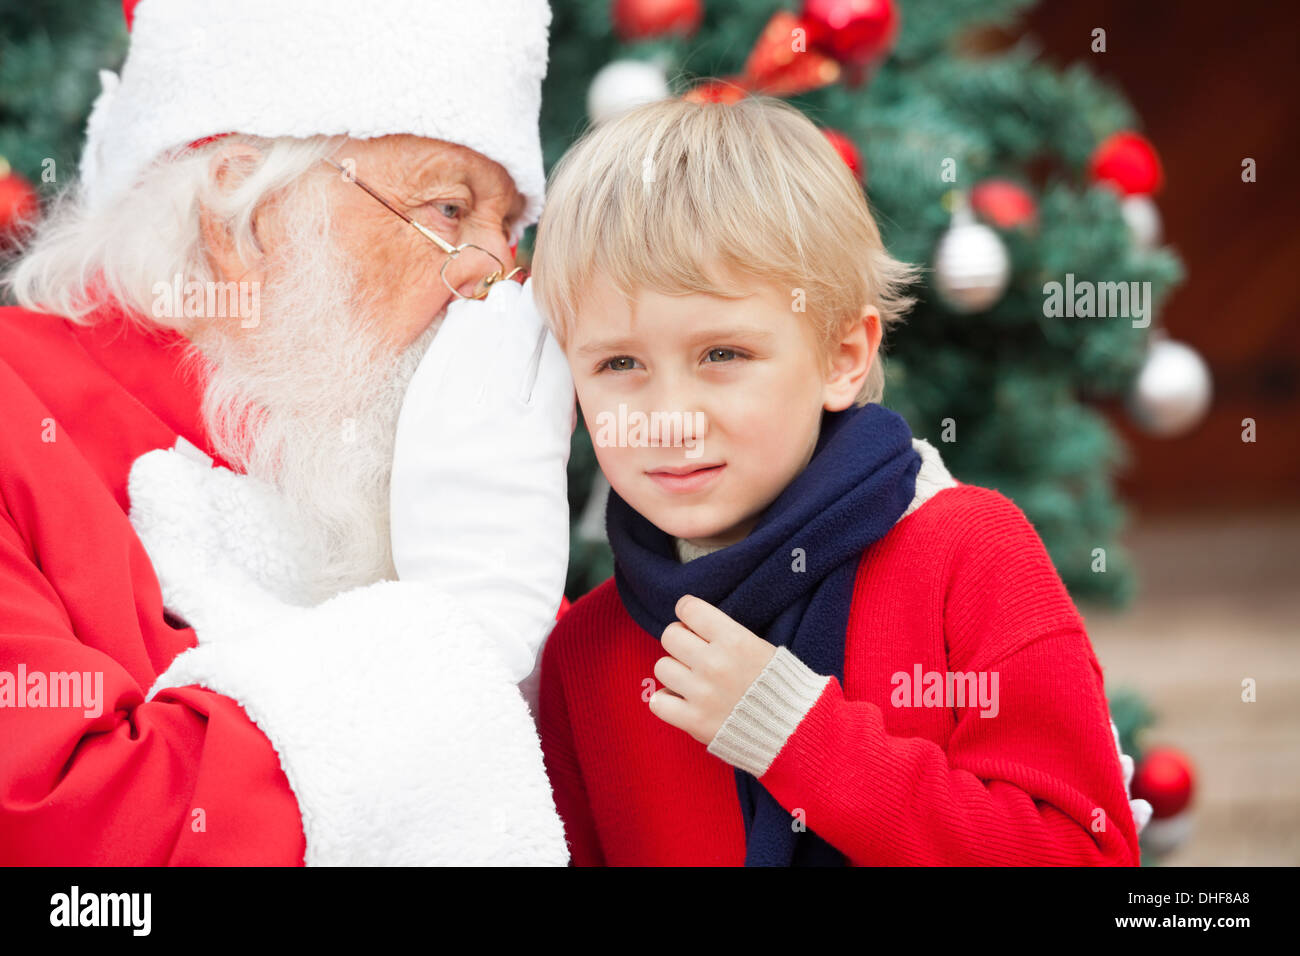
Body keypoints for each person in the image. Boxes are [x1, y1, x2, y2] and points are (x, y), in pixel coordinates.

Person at [0, 0, 573, 865]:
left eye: (509, 226)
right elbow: (67, 836)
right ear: (244, 219)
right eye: (451, 211)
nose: (496, 273)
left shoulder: (433, 495)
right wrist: (442, 653)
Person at [529, 94, 1153, 866]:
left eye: (723, 355)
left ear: (840, 357)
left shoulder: (969, 555)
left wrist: (798, 735)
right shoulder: (584, 657)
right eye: (619, 364)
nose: (670, 419)